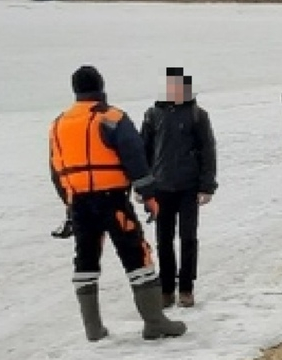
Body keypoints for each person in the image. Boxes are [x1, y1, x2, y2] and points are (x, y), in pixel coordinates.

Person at [49, 65, 187, 341]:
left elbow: (55, 170)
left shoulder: (59, 123)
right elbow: (135, 157)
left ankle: (93, 329)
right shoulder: (112, 117)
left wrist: (69, 204)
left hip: (79, 203)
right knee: (137, 255)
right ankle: (155, 322)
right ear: (101, 87)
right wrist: (149, 196)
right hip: (112, 200)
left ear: (75, 90)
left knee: (85, 261)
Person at [140, 67, 218, 308]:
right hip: (161, 187)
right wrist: (142, 186)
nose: (175, 91)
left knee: (188, 238)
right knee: (163, 240)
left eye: (180, 86)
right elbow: (143, 152)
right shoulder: (153, 114)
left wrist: (207, 186)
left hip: (189, 187)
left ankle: (186, 288)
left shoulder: (198, 115)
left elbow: (208, 151)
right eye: (171, 86)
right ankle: (166, 289)